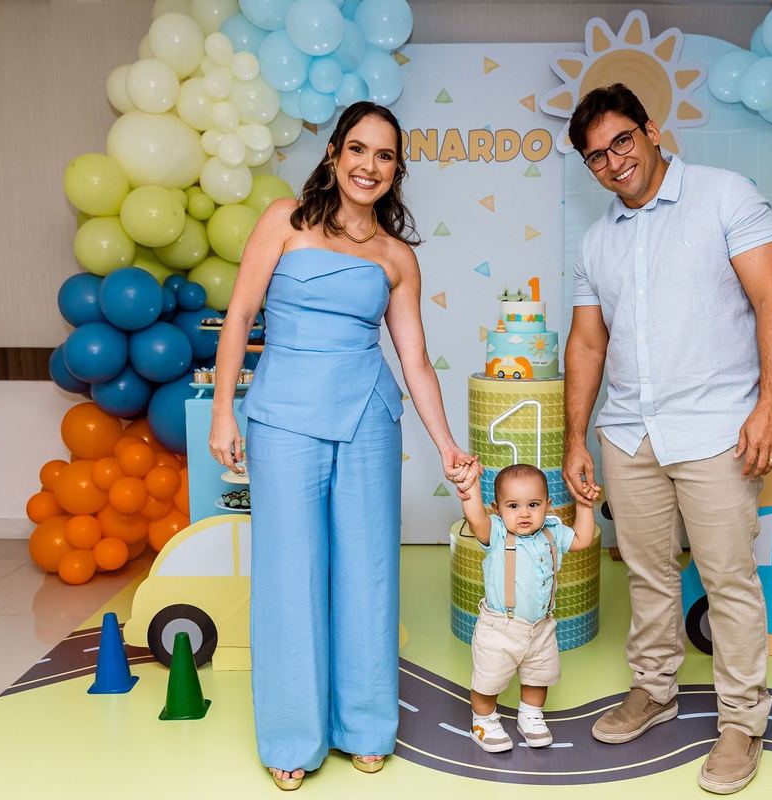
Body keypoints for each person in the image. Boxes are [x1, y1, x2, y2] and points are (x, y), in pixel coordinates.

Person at [209, 102, 477, 791]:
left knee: (368, 572)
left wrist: (448, 446)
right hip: (283, 418)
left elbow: (416, 361)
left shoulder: (396, 257)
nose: (369, 166)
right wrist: (222, 412)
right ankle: (293, 736)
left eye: (385, 156)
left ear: (396, 171)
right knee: (289, 574)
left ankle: (364, 727)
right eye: (358, 149)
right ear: (333, 154)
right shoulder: (284, 221)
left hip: (367, 420)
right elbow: (240, 314)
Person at [561, 84, 772, 795]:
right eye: (597, 156)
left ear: (651, 130)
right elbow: (587, 343)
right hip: (630, 432)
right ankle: (655, 689)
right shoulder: (597, 240)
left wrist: (771, 406)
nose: (614, 161)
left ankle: (742, 722)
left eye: (622, 141)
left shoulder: (725, 196)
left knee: (727, 578)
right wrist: (576, 438)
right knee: (647, 573)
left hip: (717, 428)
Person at [456, 462, 595, 752]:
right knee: (488, 679)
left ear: (547, 505)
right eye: (513, 506)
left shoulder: (552, 532)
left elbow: (583, 539)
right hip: (500, 628)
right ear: (497, 509)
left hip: (541, 626)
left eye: (533, 505)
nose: (524, 514)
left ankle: (530, 715)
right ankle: (483, 721)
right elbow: (476, 518)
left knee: (538, 676)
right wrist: (470, 488)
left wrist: (584, 505)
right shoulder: (495, 533)